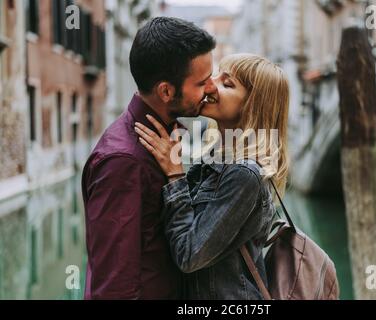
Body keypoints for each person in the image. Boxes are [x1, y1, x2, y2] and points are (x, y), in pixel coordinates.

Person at [81, 17, 217, 299]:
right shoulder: (123, 161)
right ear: (166, 91)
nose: (212, 88)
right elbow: (113, 287)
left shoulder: (168, 138)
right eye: (202, 82)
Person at [134, 53, 290, 299]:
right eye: (217, 75)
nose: (210, 85)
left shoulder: (244, 174)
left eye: (227, 84)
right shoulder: (217, 158)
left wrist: (175, 175)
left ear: (253, 105)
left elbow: (189, 256)